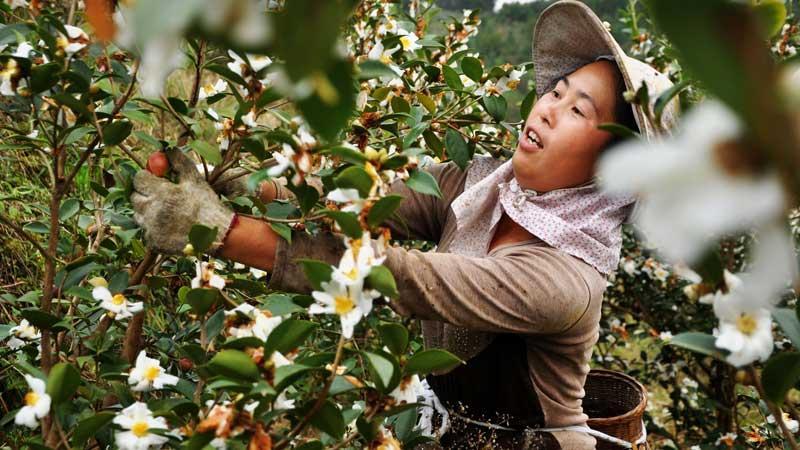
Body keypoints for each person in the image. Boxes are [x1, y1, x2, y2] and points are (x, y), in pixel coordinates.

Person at [131, 1, 678, 448]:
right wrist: (239, 180)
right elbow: (363, 198)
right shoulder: (482, 186)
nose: (548, 109)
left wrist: (218, 230)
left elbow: (399, 276)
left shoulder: (565, 282)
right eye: (556, 91)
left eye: (579, 110)